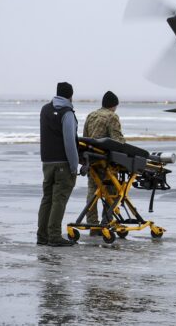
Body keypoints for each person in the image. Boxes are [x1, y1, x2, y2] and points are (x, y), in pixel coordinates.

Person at [38, 82, 79, 246]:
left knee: (47, 198)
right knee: (59, 200)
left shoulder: (45, 109)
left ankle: (42, 236)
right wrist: (74, 165)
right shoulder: (67, 112)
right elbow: (69, 141)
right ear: (71, 95)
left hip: (47, 161)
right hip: (63, 162)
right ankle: (54, 236)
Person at [82, 91, 124, 234]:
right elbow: (117, 141)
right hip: (107, 163)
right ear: (114, 105)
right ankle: (106, 223)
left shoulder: (91, 115)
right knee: (111, 193)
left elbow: (85, 138)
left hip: (92, 161)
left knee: (92, 192)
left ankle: (92, 225)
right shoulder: (112, 117)